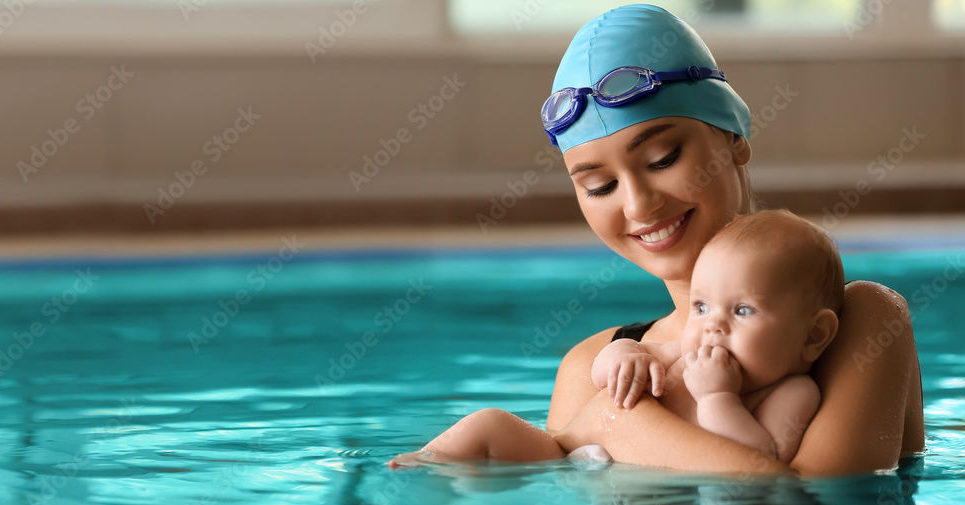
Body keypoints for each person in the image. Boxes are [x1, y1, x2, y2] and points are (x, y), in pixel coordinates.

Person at [394, 4, 924, 475]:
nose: (638, 205)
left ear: (734, 140)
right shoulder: (590, 365)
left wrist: (613, 423)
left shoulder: (861, 321)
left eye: (662, 159)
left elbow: (822, 501)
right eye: (599, 185)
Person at [387, 210, 843, 467]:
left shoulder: (791, 391)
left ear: (813, 336)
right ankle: (419, 474)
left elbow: (763, 460)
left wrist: (719, 397)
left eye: (743, 310)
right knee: (489, 424)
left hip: (641, 480)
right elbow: (609, 369)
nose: (712, 326)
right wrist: (625, 355)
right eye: (701, 306)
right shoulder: (686, 349)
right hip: (574, 459)